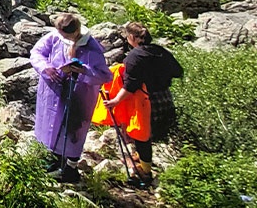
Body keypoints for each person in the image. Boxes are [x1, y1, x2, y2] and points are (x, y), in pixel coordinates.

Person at [30, 13, 111, 182]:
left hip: (79, 95)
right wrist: (46, 68)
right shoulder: (55, 37)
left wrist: (84, 71)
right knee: (49, 124)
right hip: (53, 90)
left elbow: (104, 75)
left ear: (74, 32)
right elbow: (37, 53)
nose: (61, 36)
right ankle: (51, 160)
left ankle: (70, 168)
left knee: (73, 128)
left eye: (64, 34)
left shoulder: (91, 47)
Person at [102, 21, 184, 184]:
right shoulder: (160, 51)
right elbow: (178, 71)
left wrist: (115, 101)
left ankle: (145, 172)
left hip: (145, 100)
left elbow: (130, 85)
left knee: (141, 134)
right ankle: (141, 159)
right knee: (151, 132)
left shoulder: (134, 57)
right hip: (164, 96)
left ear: (132, 37)